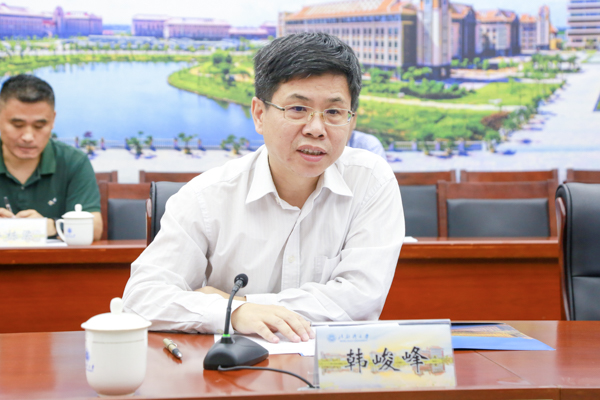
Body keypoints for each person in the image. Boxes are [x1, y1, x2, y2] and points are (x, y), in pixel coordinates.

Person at [122, 33, 404, 343]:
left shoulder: (371, 181)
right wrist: (237, 315)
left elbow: (360, 301)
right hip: (233, 370)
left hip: (329, 368)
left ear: (351, 120)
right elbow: (141, 298)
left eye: (334, 112)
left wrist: (238, 306)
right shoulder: (206, 196)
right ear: (259, 114)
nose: (316, 128)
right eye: (298, 109)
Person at [0, 74, 102, 240]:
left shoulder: (73, 161)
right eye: (17, 125)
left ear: (53, 120)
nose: (28, 137)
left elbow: (95, 228)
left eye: (39, 126)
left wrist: (51, 226)